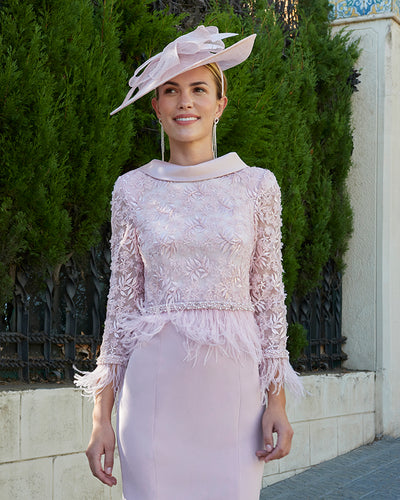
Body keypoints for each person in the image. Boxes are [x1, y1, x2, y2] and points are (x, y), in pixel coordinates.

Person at [75, 25, 304, 500]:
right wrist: (102, 418)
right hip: (154, 391)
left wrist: (277, 401)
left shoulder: (258, 186)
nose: (185, 102)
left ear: (220, 104)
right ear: (155, 106)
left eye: (199, 89)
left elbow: (268, 300)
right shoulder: (131, 190)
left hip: (234, 398)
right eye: (171, 90)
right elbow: (121, 305)